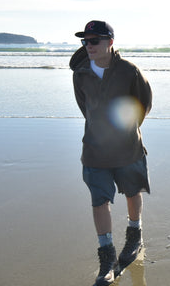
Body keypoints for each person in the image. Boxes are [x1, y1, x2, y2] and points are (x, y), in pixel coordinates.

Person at [69, 21, 152, 286]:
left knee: (132, 191)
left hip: (128, 147)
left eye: (95, 41)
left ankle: (135, 235)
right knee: (99, 200)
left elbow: (144, 103)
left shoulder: (130, 71)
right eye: (85, 41)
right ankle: (107, 257)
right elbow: (86, 108)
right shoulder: (80, 74)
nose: (89, 46)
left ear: (110, 42)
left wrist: (125, 130)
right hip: (94, 149)